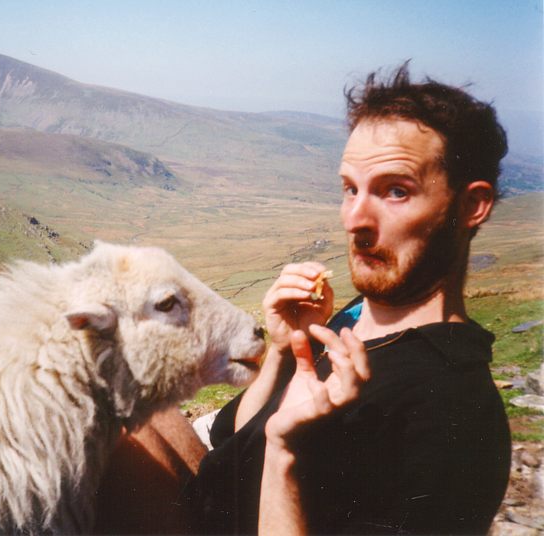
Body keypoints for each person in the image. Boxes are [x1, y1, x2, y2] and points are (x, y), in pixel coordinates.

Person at [95, 63, 512, 535]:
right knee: (105, 373)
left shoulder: (455, 416)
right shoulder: (350, 322)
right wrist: (281, 350)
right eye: (350, 188)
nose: (355, 218)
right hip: (208, 495)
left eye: (396, 192)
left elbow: (267, 448)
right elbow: (231, 437)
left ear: (472, 206)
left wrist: (285, 452)